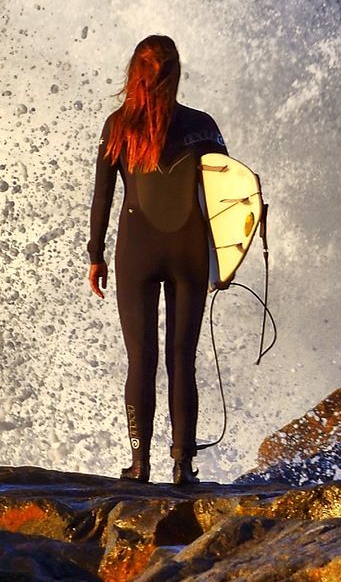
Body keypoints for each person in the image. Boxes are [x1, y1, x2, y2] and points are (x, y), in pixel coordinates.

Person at [87, 35, 226, 485]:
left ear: (135, 74)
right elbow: (227, 195)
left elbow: (102, 197)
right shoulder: (203, 126)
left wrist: (95, 255)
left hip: (136, 252)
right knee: (182, 359)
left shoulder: (118, 126)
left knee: (140, 359)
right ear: (175, 73)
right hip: (190, 253)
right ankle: (183, 467)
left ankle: (139, 463)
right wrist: (225, 257)